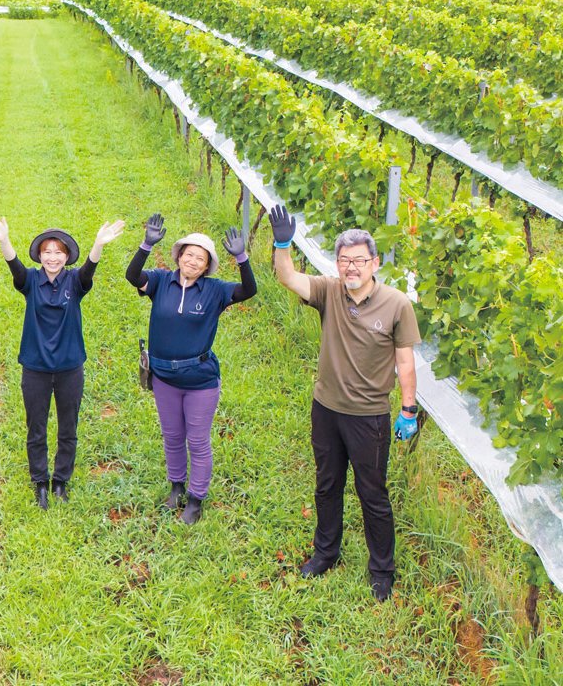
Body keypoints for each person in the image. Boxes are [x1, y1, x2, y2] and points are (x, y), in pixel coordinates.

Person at [268, 204, 421, 602]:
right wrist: (283, 244)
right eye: (343, 260)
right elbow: (287, 277)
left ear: (374, 263)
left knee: (372, 493)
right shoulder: (328, 291)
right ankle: (326, 553)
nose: (350, 267)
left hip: (369, 416)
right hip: (326, 409)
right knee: (327, 483)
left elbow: (405, 361)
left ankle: (382, 570)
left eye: (358, 260)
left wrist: (408, 409)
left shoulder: (396, 305)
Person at [0, 212, 125, 508]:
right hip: (34, 367)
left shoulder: (75, 282)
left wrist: (98, 244)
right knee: (36, 427)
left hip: (69, 367)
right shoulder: (31, 281)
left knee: (67, 427)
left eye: (58, 252)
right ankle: (40, 482)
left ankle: (60, 480)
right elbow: (16, 269)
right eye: (47, 252)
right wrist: (5, 240)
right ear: (39, 255)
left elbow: (88, 271)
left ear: (67, 257)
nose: (52, 257)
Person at [125, 213, 257, 524]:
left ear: (207, 265)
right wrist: (146, 244)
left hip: (199, 380)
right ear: (179, 256)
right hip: (164, 377)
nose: (193, 261)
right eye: (189, 254)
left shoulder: (215, 290)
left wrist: (242, 257)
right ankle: (176, 486)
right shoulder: (160, 282)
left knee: (197, 440)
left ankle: (196, 499)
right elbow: (133, 276)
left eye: (201, 258)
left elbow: (248, 290)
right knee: (172, 435)